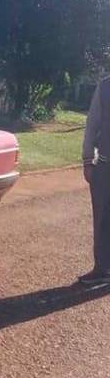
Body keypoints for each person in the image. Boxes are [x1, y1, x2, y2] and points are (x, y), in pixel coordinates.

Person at [80, 76, 110, 283]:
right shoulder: (105, 86)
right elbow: (92, 125)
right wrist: (87, 160)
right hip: (105, 165)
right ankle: (102, 269)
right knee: (102, 220)